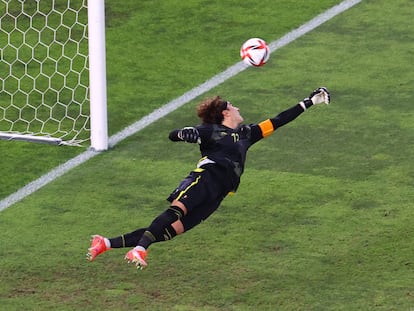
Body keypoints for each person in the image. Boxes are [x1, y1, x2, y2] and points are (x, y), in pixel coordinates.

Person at [87, 87, 330, 269]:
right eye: (234, 106)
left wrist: (309, 101)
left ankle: (105, 243)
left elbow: (278, 120)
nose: (238, 109)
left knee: (172, 230)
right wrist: (186, 134)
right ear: (225, 112)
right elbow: (174, 135)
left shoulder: (247, 134)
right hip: (206, 177)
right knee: (177, 211)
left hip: (220, 193)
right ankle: (139, 249)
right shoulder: (212, 131)